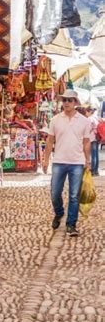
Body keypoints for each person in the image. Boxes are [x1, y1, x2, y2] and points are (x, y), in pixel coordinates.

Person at [42, 90, 91, 237]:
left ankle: (71, 224)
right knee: (54, 192)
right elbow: (50, 140)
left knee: (74, 196)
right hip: (59, 161)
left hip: (77, 162)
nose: (67, 103)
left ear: (75, 102)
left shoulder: (84, 121)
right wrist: (45, 160)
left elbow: (87, 142)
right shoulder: (55, 120)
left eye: (70, 100)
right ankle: (59, 213)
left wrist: (87, 161)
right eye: (64, 100)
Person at [84, 105, 99, 176]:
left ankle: (92, 170)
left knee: (93, 155)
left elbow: (88, 129)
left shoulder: (90, 118)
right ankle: (96, 170)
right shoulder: (97, 118)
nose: (85, 113)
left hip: (92, 138)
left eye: (86, 112)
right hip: (97, 137)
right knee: (96, 154)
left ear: (89, 111)